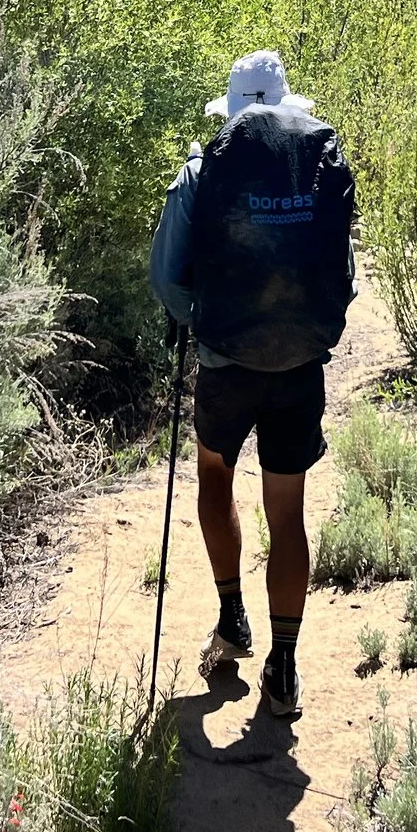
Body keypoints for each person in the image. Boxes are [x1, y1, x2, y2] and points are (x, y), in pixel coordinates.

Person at [148, 50, 359, 719]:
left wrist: (202, 323)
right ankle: (285, 666)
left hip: (225, 366)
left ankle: (233, 614)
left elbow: (164, 276)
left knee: (214, 475)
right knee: (288, 514)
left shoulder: (202, 168)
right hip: (299, 367)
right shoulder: (317, 167)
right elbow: (346, 277)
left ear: (234, 110)